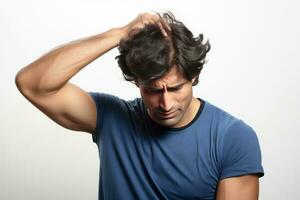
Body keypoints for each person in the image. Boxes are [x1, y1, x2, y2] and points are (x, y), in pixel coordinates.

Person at [15, 11, 264, 200]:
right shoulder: (112, 119)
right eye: (153, 90)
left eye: (176, 88)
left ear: (194, 78)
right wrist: (119, 35)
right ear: (137, 83)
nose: (165, 103)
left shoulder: (233, 138)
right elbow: (33, 84)